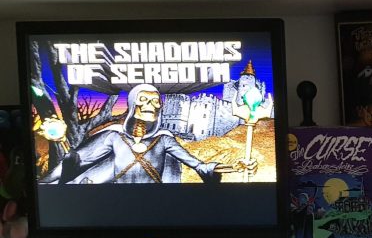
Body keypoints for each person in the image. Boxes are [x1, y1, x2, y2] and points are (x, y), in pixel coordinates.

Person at [40, 84, 248, 184]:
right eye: (144, 100)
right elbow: (77, 162)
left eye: (156, 101)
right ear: (132, 104)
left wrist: (236, 167)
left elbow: (199, 165)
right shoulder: (114, 136)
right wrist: (61, 140)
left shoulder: (164, 139)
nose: (151, 105)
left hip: (155, 205)